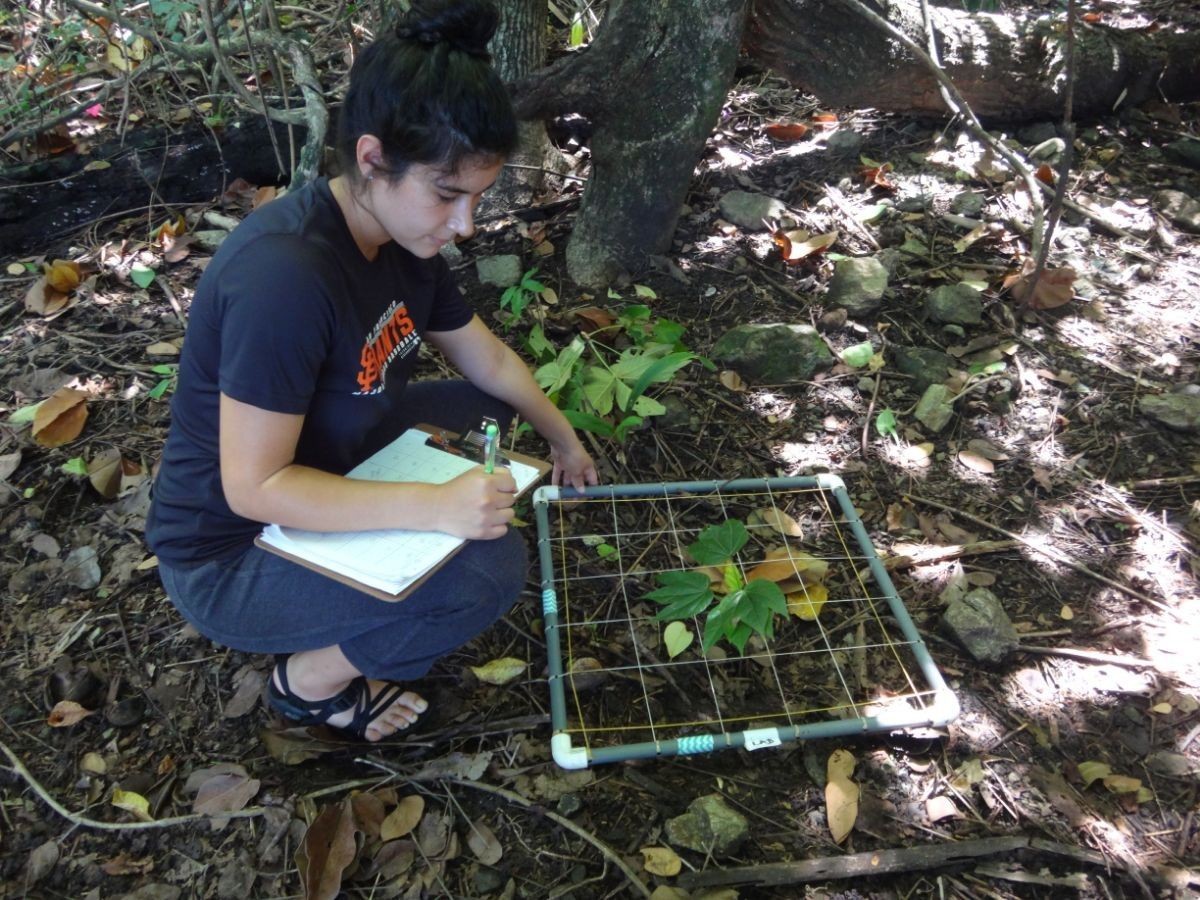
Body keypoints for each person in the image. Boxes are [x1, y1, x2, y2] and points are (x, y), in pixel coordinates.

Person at [145, 0, 598, 742]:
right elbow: (252, 488)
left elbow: (480, 352)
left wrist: (562, 438)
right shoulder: (284, 279)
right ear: (370, 158)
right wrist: (431, 506)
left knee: (496, 418)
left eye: (476, 198)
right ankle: (309, 684)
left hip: (336, 459)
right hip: (232, 554)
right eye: (448, 195)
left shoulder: (401, 240)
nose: (465, 226)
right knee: (486, 575)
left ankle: (392, 580)